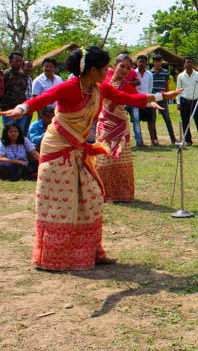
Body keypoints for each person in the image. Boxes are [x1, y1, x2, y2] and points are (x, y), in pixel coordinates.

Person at [0, 46, 181, 270]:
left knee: (92, 198)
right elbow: (45, 98)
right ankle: (54, 257)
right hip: (58, 150)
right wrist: (22, 107)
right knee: (62, 205)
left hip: (79, 149)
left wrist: (163, 95)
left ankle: (91, 250)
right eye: (106, 67)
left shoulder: (100, 89)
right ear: (93, 69)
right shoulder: (69, 87)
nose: (110, 71)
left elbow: (127, 98)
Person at [95, 54, 164, 203]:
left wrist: (151, 102)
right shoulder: (104, 81)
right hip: (105, 124)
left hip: (120, 125)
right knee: (103, 159)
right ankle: (103, 193)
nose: (125, 70)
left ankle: (121, 194)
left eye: (128, 68)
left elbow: (139, 99)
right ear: (115, 66)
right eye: (122, 66)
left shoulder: (126, 86)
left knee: (119, 159)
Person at [176, 56, 198, 148]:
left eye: (190, 62)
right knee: (185, 121)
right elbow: (178, 89)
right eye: (187, 62)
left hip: (196, 101)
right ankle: (188, 140)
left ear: (193, 64)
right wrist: (178, 102)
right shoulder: (181, 76)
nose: (189, 64)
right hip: (184, 100)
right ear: (184, 64)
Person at [150, 54, 177, 144]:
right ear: (153, 62)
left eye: (159, 61)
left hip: (162, 96)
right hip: (153, 97)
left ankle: (173, 139)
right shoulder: (150, 73)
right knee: (153, 119)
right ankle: (155, 139)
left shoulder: (165, 72)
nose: (158, 63)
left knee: (167, 118)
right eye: (156, 61)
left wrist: (167, 96)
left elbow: (166, 85)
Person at [0, 52, 30, 134]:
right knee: (10, 133)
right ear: (10, 62)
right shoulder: (4, 75)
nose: (19, 63)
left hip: (20, 109)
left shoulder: (23, 76)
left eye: (20, 61)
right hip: (9, 109)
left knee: (20, 133)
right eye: (16, 61)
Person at [135, 54, 157, 146]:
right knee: (137, 121)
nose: (141, 63)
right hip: (136, 100)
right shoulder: (133, 73)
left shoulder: (150, 74)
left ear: (146, 63)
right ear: (137, 62)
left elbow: (150, 87)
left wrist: (150, 100)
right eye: (140, 61)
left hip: (147, 99)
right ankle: (140, 141)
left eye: (143, 62)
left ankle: (153, 140)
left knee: (151, 121)